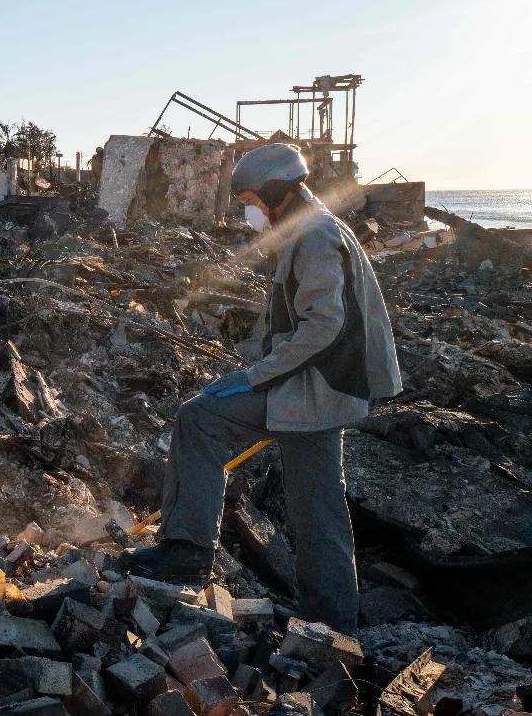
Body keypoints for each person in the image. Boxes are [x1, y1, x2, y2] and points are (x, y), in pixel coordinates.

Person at [119, 143, 402, 635]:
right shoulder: (311, 227)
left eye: (250, 198)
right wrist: (262, 362)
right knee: (318, 507)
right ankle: (331, 625)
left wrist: (254, 376)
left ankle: (185, 554)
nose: (247, 210)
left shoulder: (314, 236)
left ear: (275, 191)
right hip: (322, 390)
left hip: (316, 390)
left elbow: (322, 325)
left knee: (200, 418)